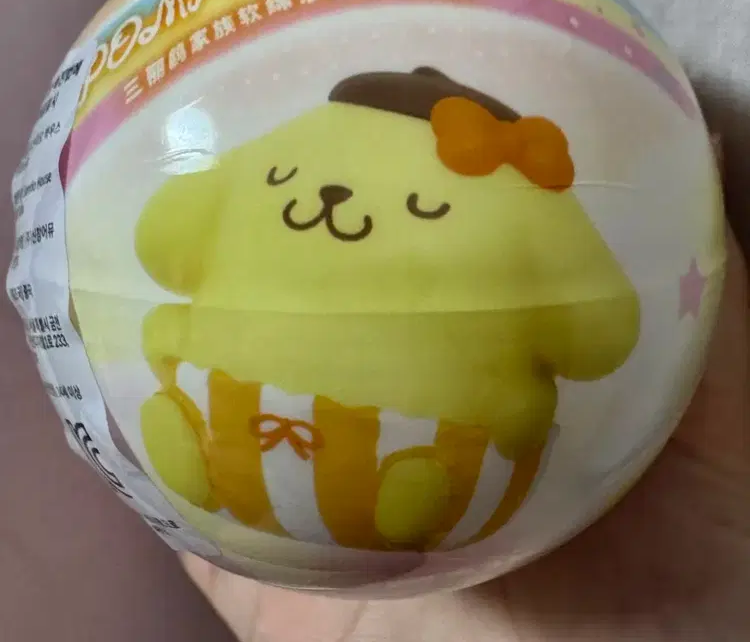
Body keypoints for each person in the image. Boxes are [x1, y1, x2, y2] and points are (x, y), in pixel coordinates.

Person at [178, 139, 750, 641]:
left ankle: (424, 481)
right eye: (283, 178)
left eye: (423, 207)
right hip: (236, 434)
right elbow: (168, 228)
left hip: (492, 478)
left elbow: (602, 333)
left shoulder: (533, 211)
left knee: (465, 460)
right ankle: (186, 427)